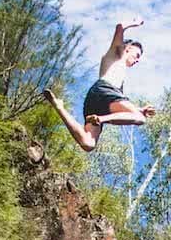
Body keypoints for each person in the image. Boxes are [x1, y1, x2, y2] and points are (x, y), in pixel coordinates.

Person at [43, 17, 156, 152]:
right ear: (127, 48)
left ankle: (59, 106)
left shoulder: (119, 76)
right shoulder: (116, 54)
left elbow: (117, 106)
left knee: (88, 144)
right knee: (140, 119)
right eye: (137, 55)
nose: (137, 60)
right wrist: (134, 23)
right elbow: (120, 26)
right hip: (105, 90)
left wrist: (140, 109)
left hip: (98, 100)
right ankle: (100, 119)